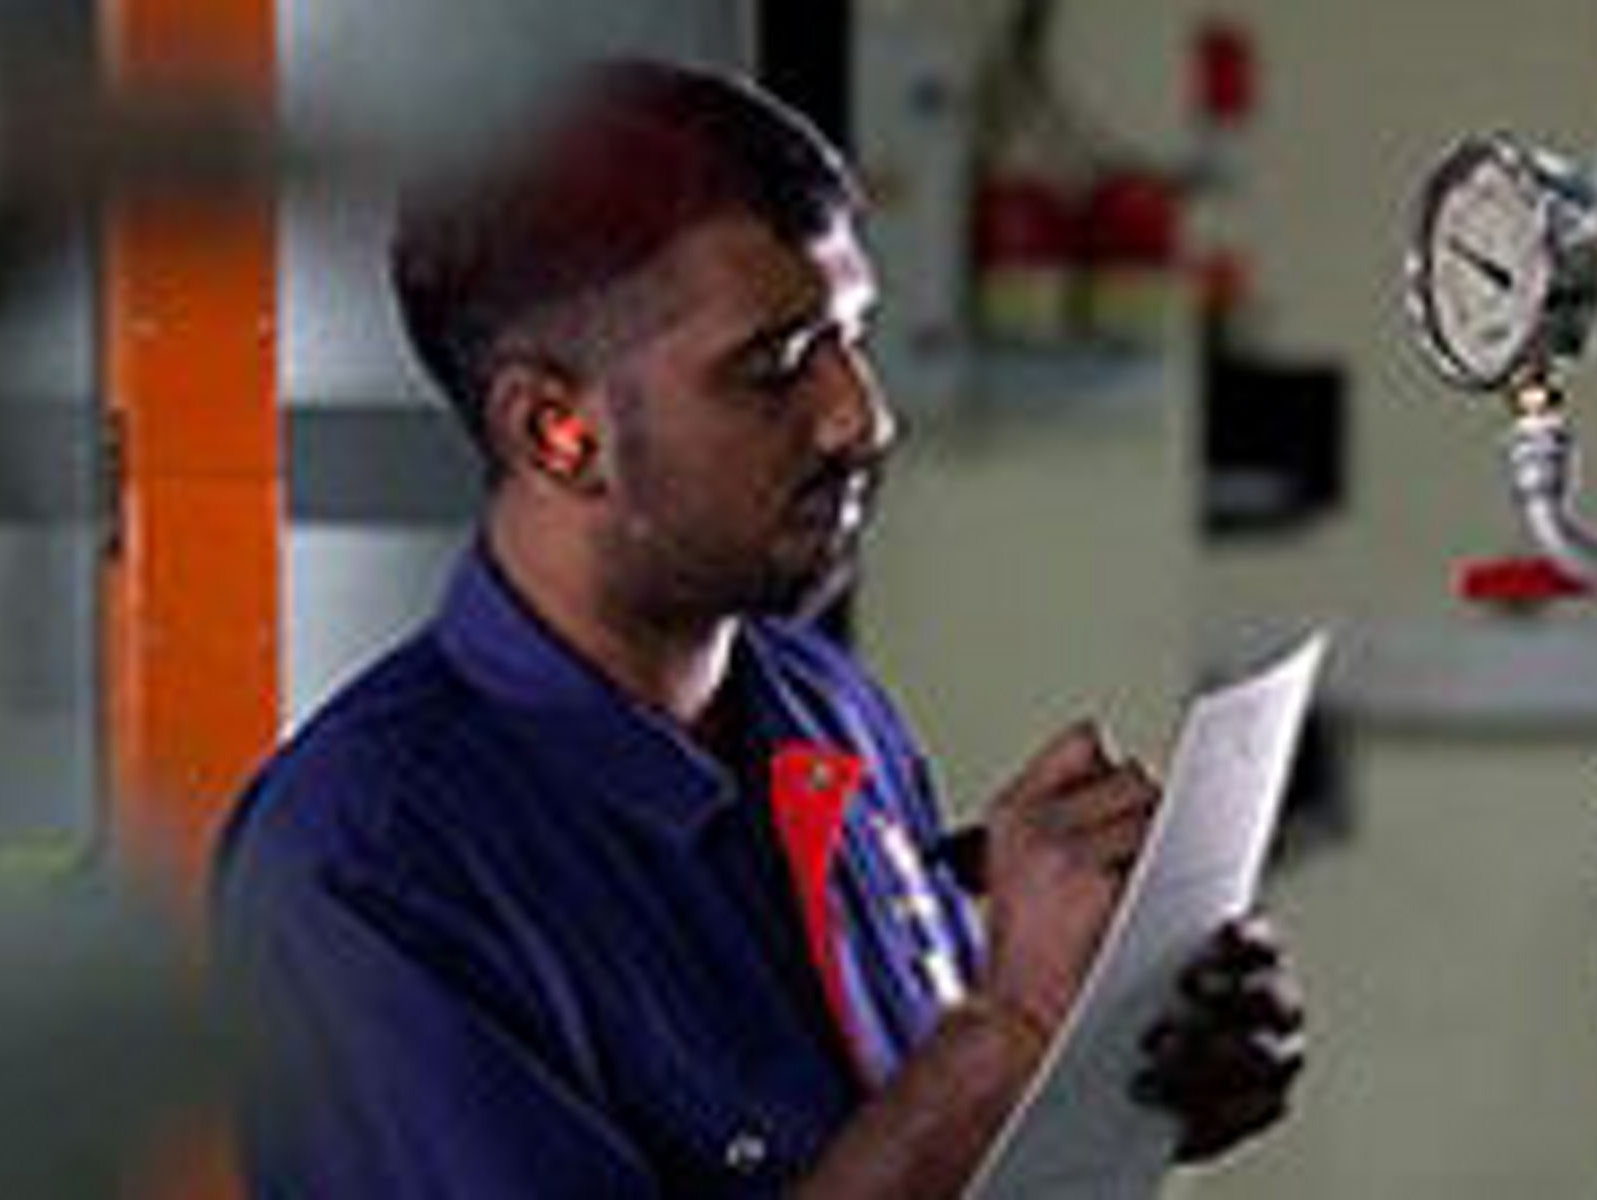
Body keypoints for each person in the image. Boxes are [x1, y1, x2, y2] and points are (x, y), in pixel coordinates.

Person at [214, 58, 1303, 1198]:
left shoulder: (819, 710)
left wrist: (1117, 1069)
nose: (859, 417)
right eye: (776, 368)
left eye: (853, 337)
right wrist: (1006, 1032)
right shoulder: (371, 861)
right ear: (555, 430)